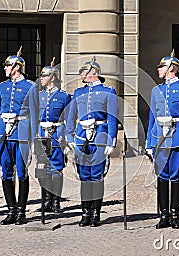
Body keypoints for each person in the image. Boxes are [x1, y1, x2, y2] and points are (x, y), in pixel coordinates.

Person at [145, 50, 179, 229]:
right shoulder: (156, 90)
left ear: (171, 68)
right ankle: (164, 215)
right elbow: (152, 117)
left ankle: (175, 214)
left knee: (175, 175)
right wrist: (149, 143)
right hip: (159, 137)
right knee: (162, 176)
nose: (158, 69)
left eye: (161, 67)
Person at [65, 56, 118, 227]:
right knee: (84, 177)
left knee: (96, 177)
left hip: (100, 136)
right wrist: (70, 137)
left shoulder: (108, 91)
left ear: (93, 73)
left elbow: (112, 118)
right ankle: (85, 212)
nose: (81, 74)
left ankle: (96, 213)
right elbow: (71, 116)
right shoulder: (78, 92)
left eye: (84, 71)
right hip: (81, 137)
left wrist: (111, 141)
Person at [0, 48, 39, 225]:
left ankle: (21, 211)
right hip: (3, 133)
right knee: (5, 172)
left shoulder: (30, 86)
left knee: (22, 172)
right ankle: (11, 210)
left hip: (22, 133)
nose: (4, 68)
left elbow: (35, 114)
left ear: (17, 67)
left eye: (7, 65)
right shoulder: (1, 87)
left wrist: (35, 139)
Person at [37, 59, 71, 213]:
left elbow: (69, 118)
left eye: (44, 76)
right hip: (41, 134)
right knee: (42, 168)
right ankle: (45, 201)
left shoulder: (64, 96)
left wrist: (65, 137)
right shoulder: (39, 96)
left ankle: (56, 201)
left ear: (52, 78)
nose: (41, 79)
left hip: (56, 133)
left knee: (56, 169)